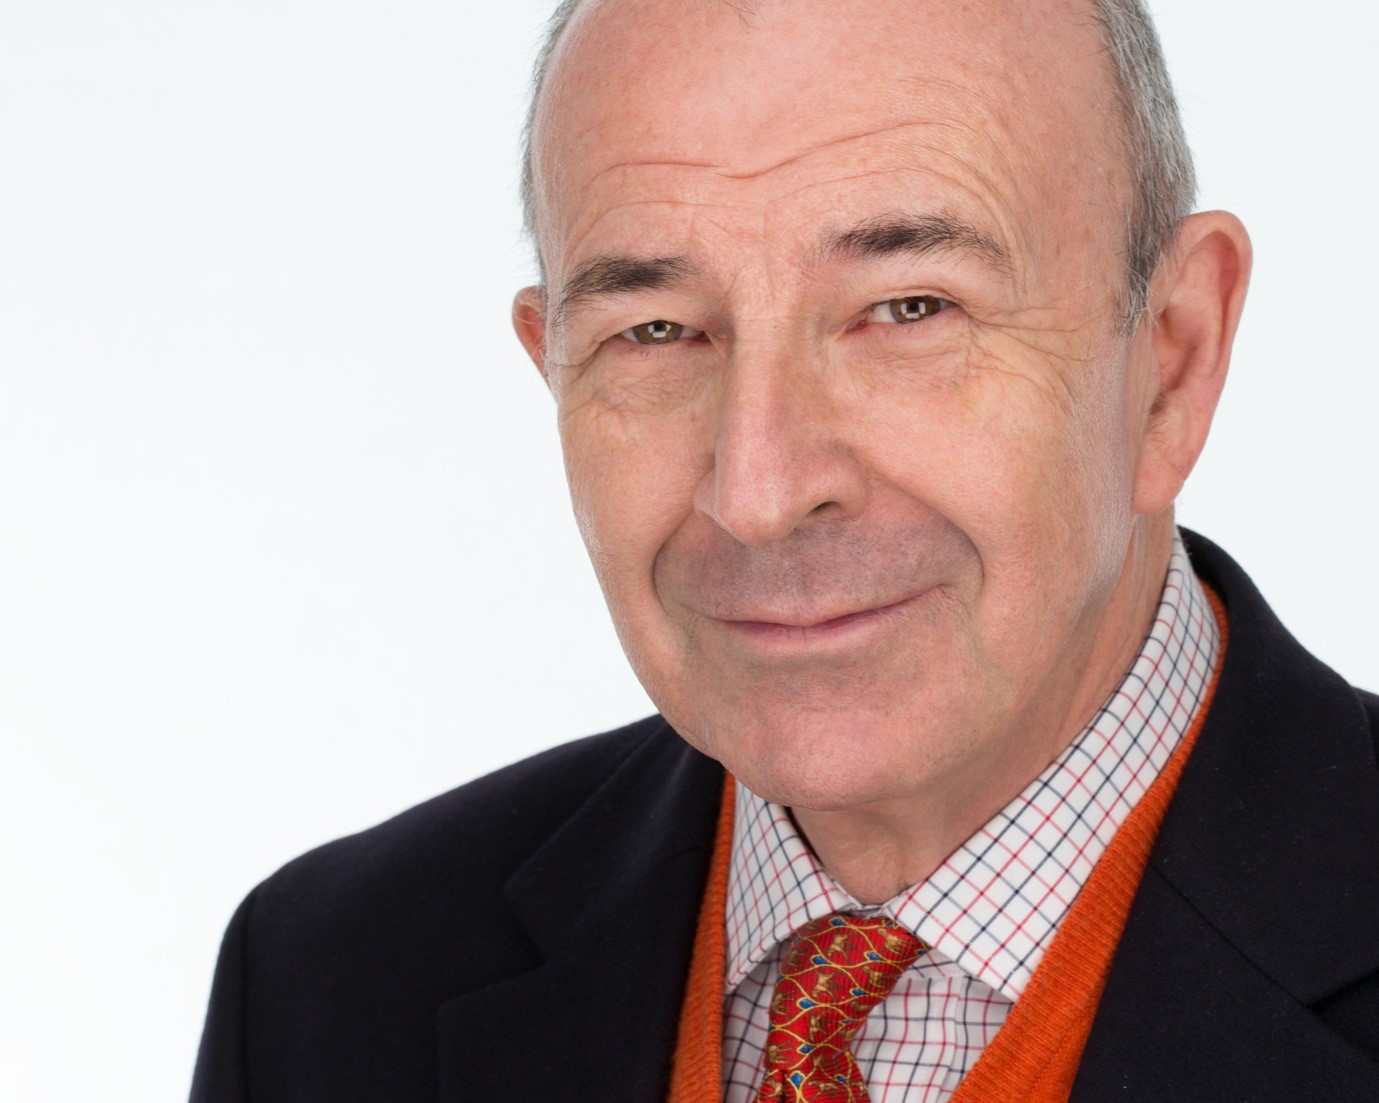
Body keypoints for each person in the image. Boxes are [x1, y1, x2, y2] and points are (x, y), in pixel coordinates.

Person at [189, 0, 1379, 1099]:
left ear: (1170, 358)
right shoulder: (326, 986)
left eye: (908, 308)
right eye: (655, 330)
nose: (756, 492)